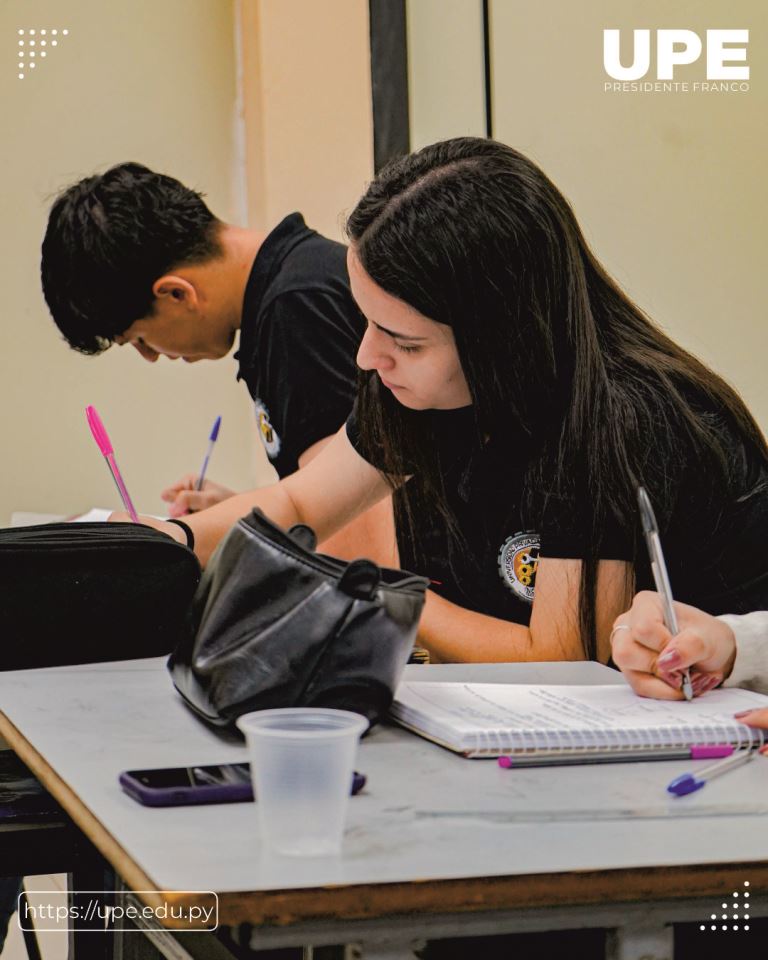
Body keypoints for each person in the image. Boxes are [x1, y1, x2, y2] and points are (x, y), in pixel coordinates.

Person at [132, 137, 768, 665]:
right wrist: (162, 541)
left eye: (404, 342)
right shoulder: (413, 386)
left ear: (502, 339)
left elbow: (560, 662)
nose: (367, 358)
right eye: (367, 323)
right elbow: (301, 501)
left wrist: (381, 589)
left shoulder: (623, 418)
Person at [40, 161, 396, 564]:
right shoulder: (296, 282)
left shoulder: (295, 310)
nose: (153, 357)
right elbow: (318, 502)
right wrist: (235, 513)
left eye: (139, 339)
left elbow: (352, 554)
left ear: (176, 293)